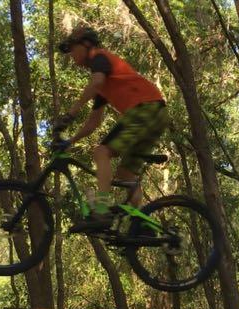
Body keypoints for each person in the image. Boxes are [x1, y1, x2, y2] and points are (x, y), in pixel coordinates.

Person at [53, 26, 169, 233]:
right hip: (154, 114)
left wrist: (70, 114)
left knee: (101, 152)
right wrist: (70, 141)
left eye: (72, 48)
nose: (71, 54)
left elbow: (96, 81)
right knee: (126, 176)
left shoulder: (100, 58)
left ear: (86, 45)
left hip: (147, 108)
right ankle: (142, 223)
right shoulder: (104, 82)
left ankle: (102, 208)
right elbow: (93, 123)